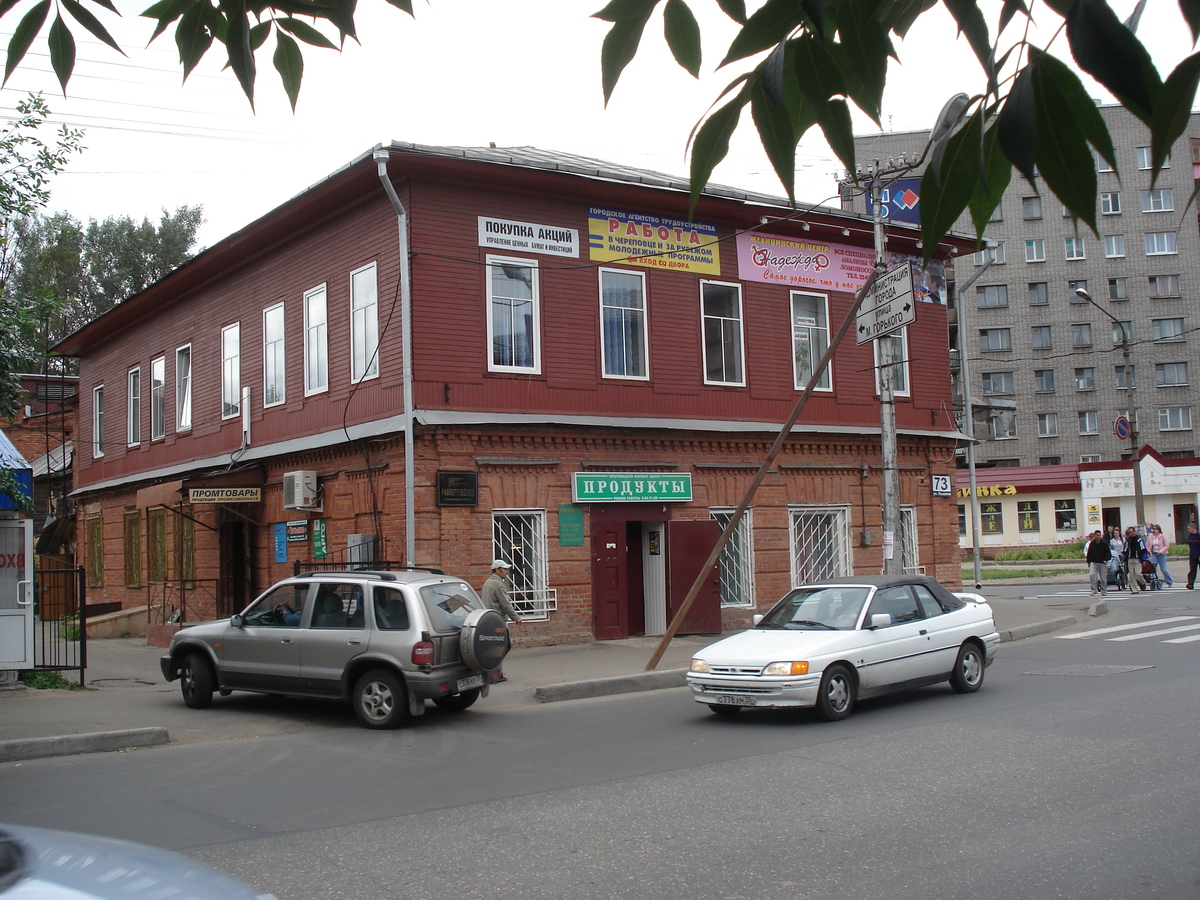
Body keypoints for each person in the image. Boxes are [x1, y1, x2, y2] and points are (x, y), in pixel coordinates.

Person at [1085, 531, 1111, 596]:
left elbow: (1108, 553)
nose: (1098, 536)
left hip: (1102, 563)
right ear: (1095, 536)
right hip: (1094, 562)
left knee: (1103, 577)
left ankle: (1103, 590)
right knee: (1092, 575)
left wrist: (1106, 559)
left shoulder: (1104, 543)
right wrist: (1088, 561)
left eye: (1099, 535)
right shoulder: (1092, 543)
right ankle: (1093, 590)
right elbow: (1089, 553)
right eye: (1097, 535)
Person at [1124, 527, 1148, 592]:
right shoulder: (1127, 540)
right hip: (1130, 559)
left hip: (1137, 559)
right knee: (1131, 575)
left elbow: (1143, 549)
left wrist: (1144, 559)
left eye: (1132, 532)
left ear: (1134, 532)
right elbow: (1125, 550)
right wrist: (1124, 560)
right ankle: (1135, 589)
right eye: (1129, 533)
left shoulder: (1139, 539)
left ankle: (1142, 582)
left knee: (1137, 573)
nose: (1131, 534)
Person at [1187, 523, 1200, 590]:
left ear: (1193, 528)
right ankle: (1190, 584)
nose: (1188, 530)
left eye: (1189, 528)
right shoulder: (1190, 536)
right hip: (1192, 556)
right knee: (1192, 570)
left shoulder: (1199, 535)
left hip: (1199, 555)